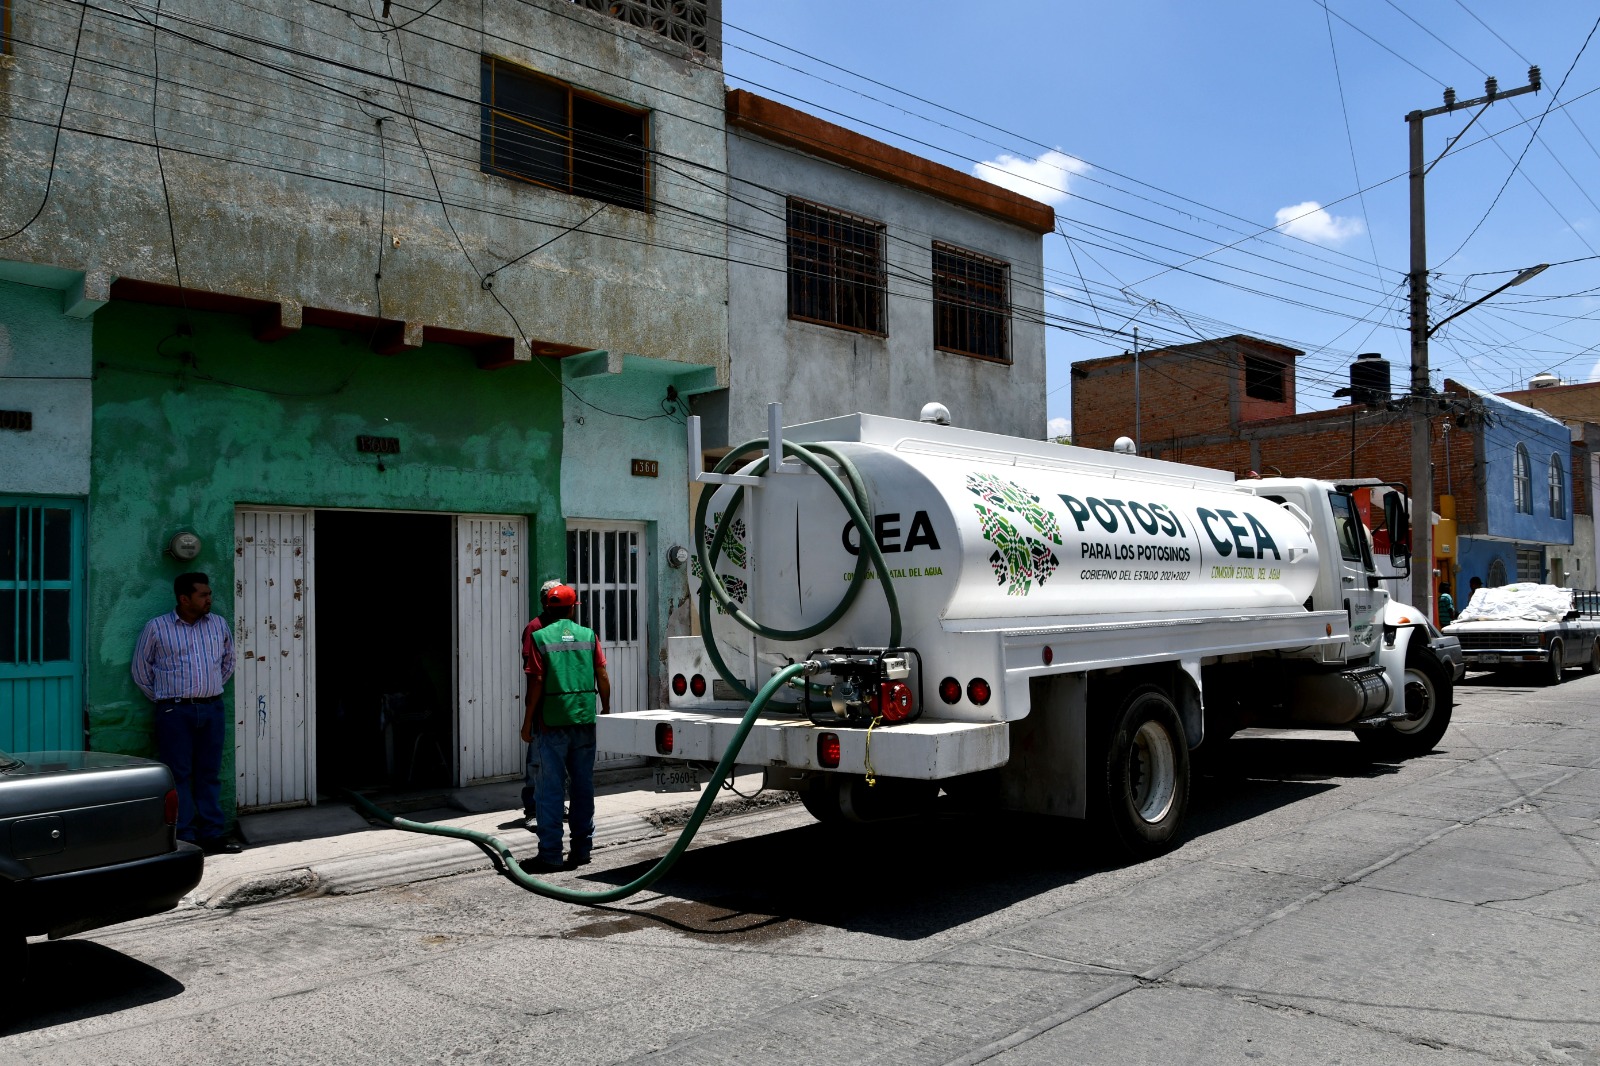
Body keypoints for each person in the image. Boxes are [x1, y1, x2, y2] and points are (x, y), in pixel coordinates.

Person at [132, 572, 242, 855]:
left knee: (209, 773)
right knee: (178, 774)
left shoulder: (218, 624)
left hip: (212, 708)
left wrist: (209, 689)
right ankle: (185, 837)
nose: (209, 599)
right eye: (203, 595)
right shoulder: (157, 628)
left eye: (209, 594)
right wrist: (167, 701)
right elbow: (141, 671)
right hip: (175, 711)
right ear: (184, 598)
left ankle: (213, 835)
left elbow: (228, 662)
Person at [521, 584, 610, 871]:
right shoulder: (588, 636)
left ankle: (550, 854)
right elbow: (602, 675)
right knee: (583, 786)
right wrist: (605, 709)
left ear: (547, 608)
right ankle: (582, 849)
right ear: (573, 608)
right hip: (584, 719)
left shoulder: (539, 636)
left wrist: (527, 722)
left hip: (551, 723)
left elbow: (535, 683)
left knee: (550, 790)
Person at [518, 578, 565, 831]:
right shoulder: (534, 628)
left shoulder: (566, 627)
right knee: (536, 762)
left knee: (559, 761)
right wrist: (530, 713)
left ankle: (556, 805)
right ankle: (533, 809)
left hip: (562, 707)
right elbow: (533, 675)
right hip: (542, 708)